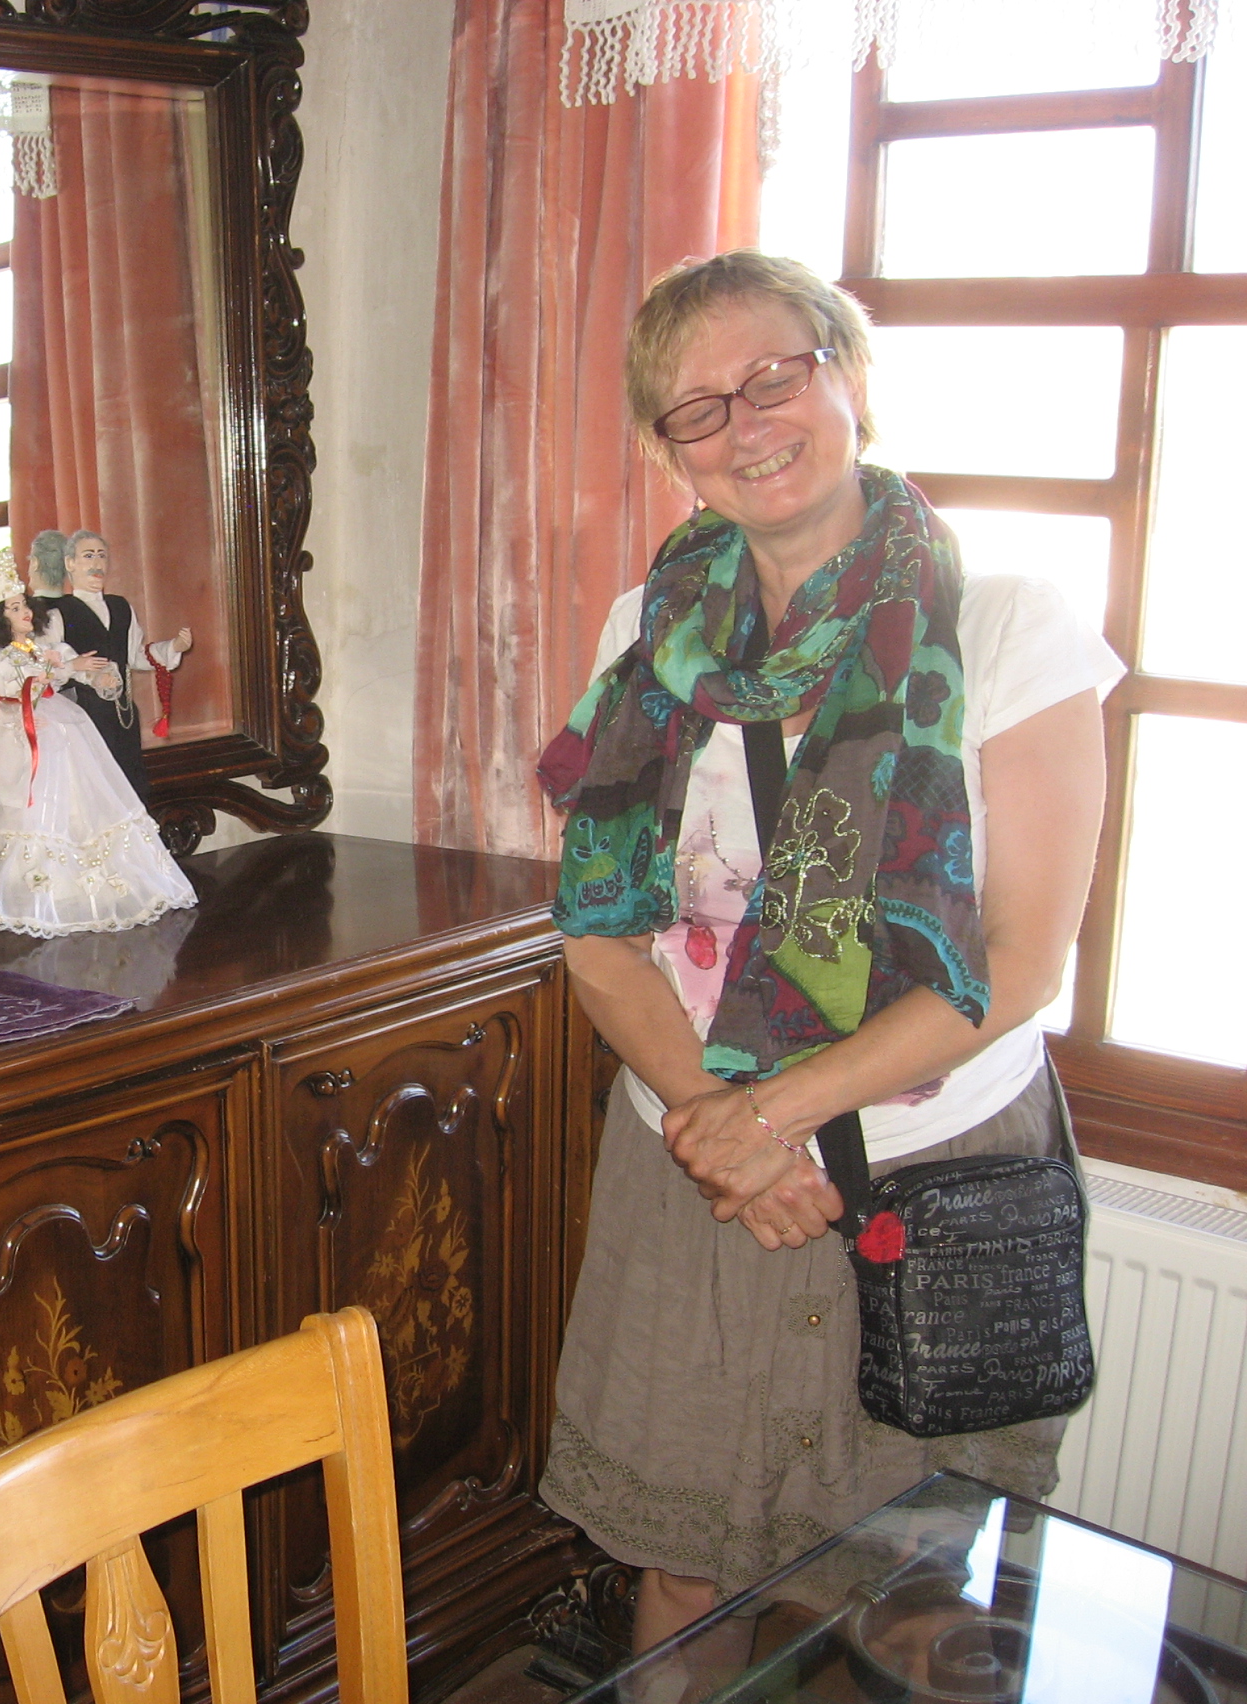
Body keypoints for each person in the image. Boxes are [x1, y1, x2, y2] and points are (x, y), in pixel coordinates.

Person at [534, 251, 1122, 1659]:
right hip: (695, 1173)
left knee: (910, 1593)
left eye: (774, 376)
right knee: (683, 1575)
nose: (745, 425)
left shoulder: (1007, 628)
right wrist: (717, 1127)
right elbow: (599, 936)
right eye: (696, 408)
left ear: (847, 374)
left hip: (927, 1171)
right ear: (667, 452)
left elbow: (1021, 962)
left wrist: (770, 1120)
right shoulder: (644, 635)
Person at [0, 579, 196, 938]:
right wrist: (23, 704)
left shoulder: (40, 648)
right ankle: (24, 893)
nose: (25, 612)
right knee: (26, 810)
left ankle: (67, 889)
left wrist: (81, 671)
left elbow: (62, 674)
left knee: (71, 805)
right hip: (20, 737)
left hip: (57, 724)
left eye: (24, 605)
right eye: (14, 608)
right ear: (0, 618)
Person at [35, 530, 192, 802]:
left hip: (122, 715)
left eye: (101, 556)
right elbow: (45, 666)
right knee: (94, 791)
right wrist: (79, 668)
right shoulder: (57, 613)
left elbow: (135, 655)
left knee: (130, 784)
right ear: (70, 563)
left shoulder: (120, 607)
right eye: (88, 556)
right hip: (82, 716)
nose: (97, 563)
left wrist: (173, 647)